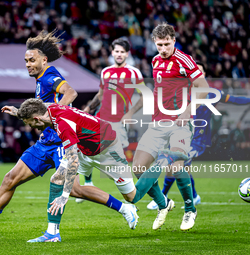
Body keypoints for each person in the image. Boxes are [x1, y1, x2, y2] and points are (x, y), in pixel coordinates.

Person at [0, 30, 137, 238]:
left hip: (61, 141)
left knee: (74, 189)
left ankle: (124, 209)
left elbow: (71, 93)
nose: (27, 64)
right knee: (10, 178)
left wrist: (56, 115)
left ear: (43, 59)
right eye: (25, 61)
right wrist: (20, 113)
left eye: (31, 60)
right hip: (45, 143)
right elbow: (39, 111)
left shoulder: (50, 76)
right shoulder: (40, 79)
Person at [17, 98, 176, 242]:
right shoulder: (48, 109)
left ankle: (161, 163)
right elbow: (36, 105)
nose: (31, 127)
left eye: (29, 123)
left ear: (37, 118)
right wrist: (17, 112)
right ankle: (52, 233)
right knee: (57, 179)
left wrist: (64, 196)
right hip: (84, 147)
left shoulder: (62, 125)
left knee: (132, 197)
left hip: (107, 150)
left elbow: (73, 162)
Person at [131, 22, 211, 231]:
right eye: (159, 45)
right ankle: (163, 204)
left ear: (174, 40)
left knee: (175, 167)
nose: (163, 49)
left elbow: (204, 88)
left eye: (167, 44)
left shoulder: (184, 60)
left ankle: (189, 209)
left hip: (180, 124)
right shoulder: (155, 60)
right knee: (138, 168)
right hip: (158, 124)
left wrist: (187, 111)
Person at [147, 61, 250, 210]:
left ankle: (162, 197)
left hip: (198, 140)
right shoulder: (182, 92)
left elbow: (234, 99)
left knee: (176, 162)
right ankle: (194, 196)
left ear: (204, 75)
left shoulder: (211, 94)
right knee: (182, 167)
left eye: (200, 72)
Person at [77, 38, 145, 203]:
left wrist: (130, 114)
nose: (119, 54)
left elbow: (144, 96)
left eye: (122, 52)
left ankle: (131, 191)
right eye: (117, 51)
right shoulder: (105, 71)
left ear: (127, 54)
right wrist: (88, 109)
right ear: (112, 52)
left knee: (117, 157)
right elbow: (100, 95)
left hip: (118, 122)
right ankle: (88, 182)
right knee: (84, 147)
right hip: (100, 118)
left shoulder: (134, 73)